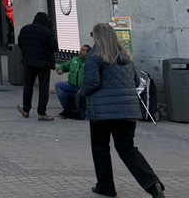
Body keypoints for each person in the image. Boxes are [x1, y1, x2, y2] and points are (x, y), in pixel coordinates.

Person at [82, 23, 165, 198]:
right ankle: (152, 184)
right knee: (127, 148)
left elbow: (91, 82)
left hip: (102, 112)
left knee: (100, 148)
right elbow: (136, 82)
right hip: (127, 111)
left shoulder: (94, 56)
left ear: (97, 37)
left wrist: (82, 91)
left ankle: (106, 188)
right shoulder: (126, 57)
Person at [16, 12, 58, 121]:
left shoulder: (25, 29)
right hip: (44, 63)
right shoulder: (47, 32)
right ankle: (42, 113)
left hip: (28, 61)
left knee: (28, 86)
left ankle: (26, 110)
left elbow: (20, 44)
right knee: (43, 88)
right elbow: (54, 47)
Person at [55, 44, 90, 119]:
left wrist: (83, 88)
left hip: (83, 87)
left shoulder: (90, 63)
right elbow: (64, 66)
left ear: (88, 53)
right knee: (59, 85)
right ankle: (67, 108)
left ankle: (83, 110)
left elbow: (91, 79)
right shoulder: (75, 59)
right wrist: (60, 69)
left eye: (83, 50)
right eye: (81, 49)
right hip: (72, 85)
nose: (80, 51)